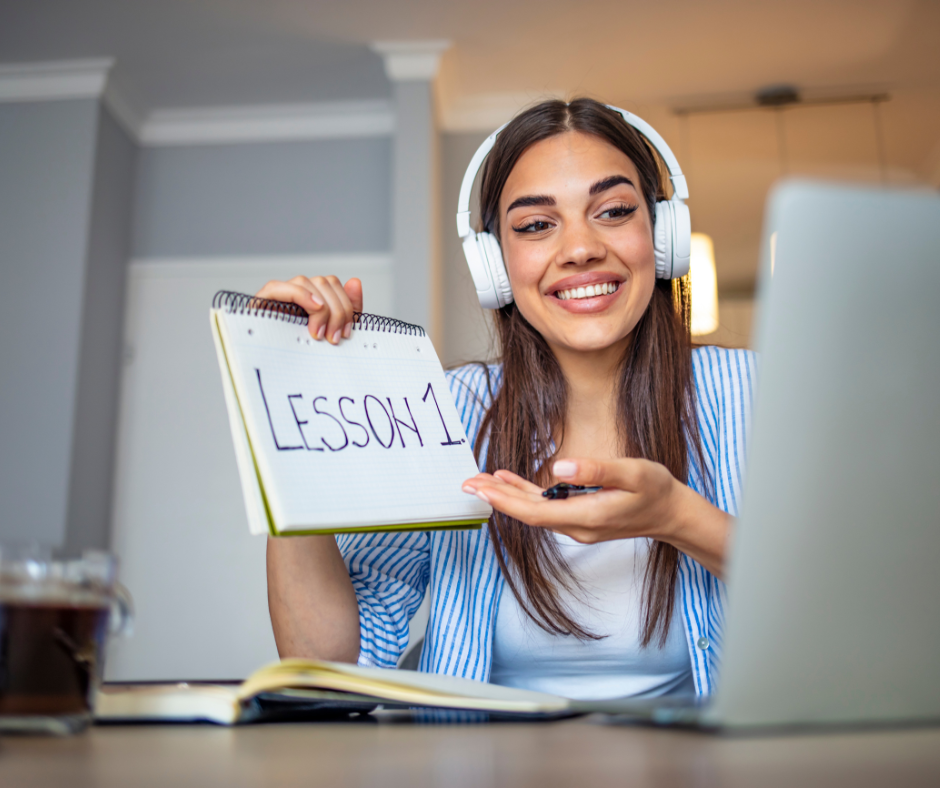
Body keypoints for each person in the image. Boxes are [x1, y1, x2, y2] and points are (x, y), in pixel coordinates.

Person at [261, 98, 756, 700]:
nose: (579, 249)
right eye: (535, 225)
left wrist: (678, 519)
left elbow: (860, 607)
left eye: (615, 210)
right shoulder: (445, 410)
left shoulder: (754, 394)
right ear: (494, 263)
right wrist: (288, 410)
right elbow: (330, 663)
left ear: (663, 232)